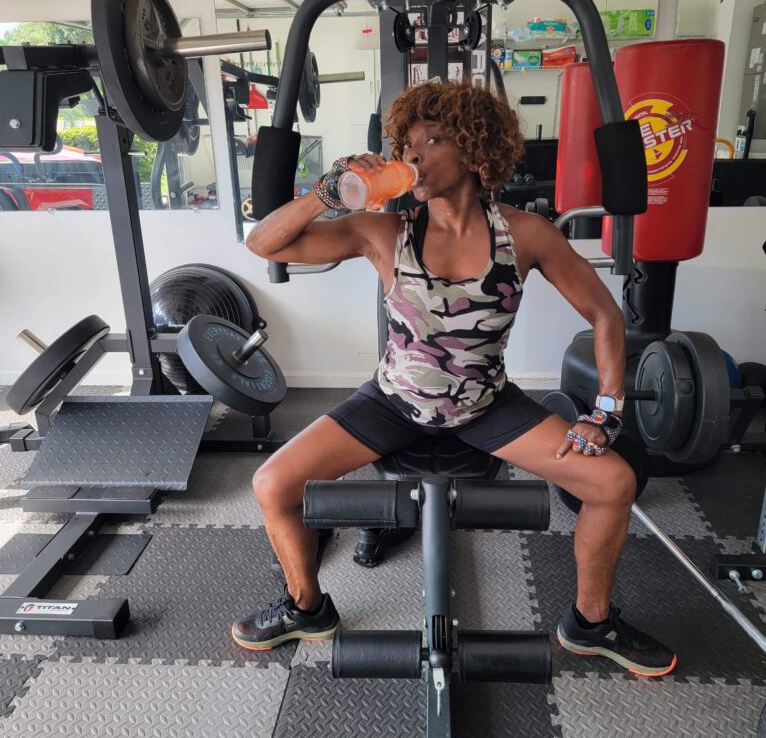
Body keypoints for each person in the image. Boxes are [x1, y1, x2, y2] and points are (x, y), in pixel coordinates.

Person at [232, 79, 676, 677]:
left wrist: (605, 410)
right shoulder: (383, 232)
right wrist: (326, 192)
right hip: (392, 402)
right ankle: (306, 608)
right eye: (407, 144)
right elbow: (264, 242)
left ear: (473, 148)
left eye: (432, 140)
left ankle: (591, 622)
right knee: (271, 484)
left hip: (486, 405)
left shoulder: (524, 234)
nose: (414, 156)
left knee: (613, 482)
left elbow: (604, 314)